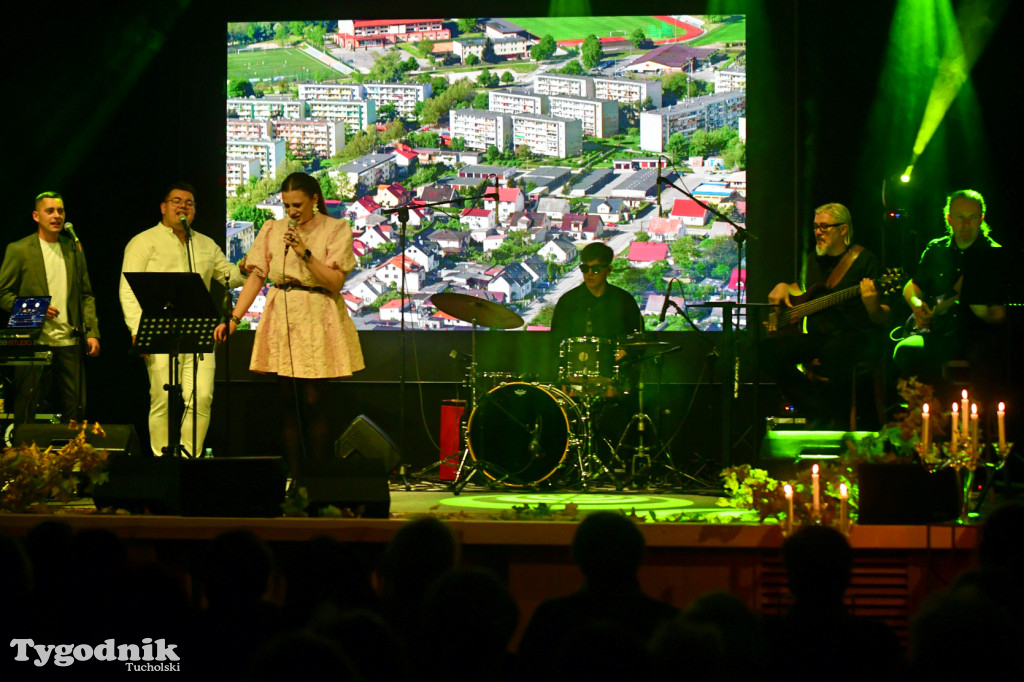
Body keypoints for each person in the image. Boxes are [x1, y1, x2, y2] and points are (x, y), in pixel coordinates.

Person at [215, 172, 364, 476]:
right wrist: (234, 319)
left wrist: (305, 253)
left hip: (318, 313)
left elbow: (336, 282)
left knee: (313, 401)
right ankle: (293, 478)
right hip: (283, 313)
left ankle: (317, 477)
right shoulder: (273, 229)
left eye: (297, 205)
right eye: (287, 206)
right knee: (288, 403)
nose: (292, 212)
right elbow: (257, 275)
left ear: (314, 200)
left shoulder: (336, 229)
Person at [119, 182, 248, 456]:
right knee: (163, 398)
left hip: (199, 332)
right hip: (159, 331)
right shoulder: (143, 242)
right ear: (164, 207)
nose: (184, 207)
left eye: (189, 203)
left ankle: (191, 457)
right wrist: (137, 329)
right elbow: (127, 289)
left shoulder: (205, 243)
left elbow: (229, 277)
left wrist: (245, 267)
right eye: (177, 201)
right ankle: (161, 458)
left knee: (201, 397)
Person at [763, 203, 890, 429]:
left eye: (824, 227)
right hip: (818, 335)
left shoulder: (865, 261)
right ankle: (817, 409)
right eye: (815, 228)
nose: (818, 233)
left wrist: (872, 305)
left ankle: (836, 421)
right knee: (770, 351)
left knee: (834, 354)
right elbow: (802, 290)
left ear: (843, 229)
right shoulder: (813, 259)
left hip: (854, 335)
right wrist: (783, 286)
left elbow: (883, 317)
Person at [894, 189, 1007, 405]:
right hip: (938, 331)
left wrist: (979, 307)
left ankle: (975, 424)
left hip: (976, 335)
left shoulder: (991, 253)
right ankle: (921, 419)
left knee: (986, 356)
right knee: (905, 350)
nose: (966, 224)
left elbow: (999, 316)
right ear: (949, 218)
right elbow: (913, 285)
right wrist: (917, 305)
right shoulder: (936, 248)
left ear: (981, 218)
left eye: (972, 217)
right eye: (960, 217)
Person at [0, 192, 100, 423]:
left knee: (76, 405)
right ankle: (24, 456)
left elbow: (86, 295)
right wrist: (36, 309)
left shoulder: (73, 248)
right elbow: (3, 293)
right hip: (32, 339)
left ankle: (73, 455)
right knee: (28, 404)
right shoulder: (19, 249)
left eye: (60, 211)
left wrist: (92, 332)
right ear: (36, 216)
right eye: (50, 211)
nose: (57, 216)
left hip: (70, 340)